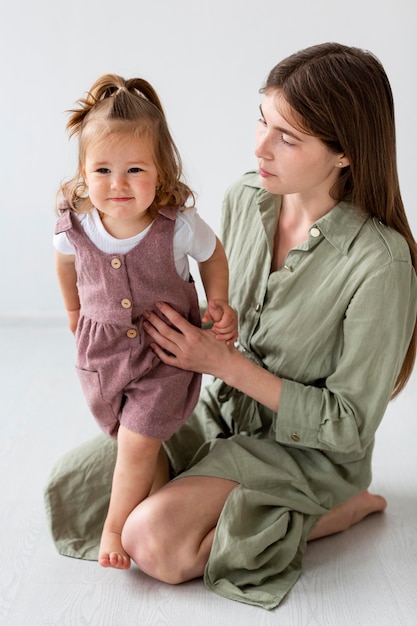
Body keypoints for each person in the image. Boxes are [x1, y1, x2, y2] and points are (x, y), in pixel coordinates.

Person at [45, 43, 417, 610]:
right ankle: (211, 494)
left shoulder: (380, 264)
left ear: (344, 154)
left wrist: (223, 362)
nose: (259, 147)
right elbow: (207, 300)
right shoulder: (248, 197)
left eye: (286, 138)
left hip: (307, 455)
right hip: (219, 411)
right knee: (77, 484)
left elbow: (347, 427)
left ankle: (336, 510)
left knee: (151, 542)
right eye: (261, 121)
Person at [53, 74, 238, 570]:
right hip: (103, 356)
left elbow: (214, 257)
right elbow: (66, 264)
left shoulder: (176, 227)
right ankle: (159, 508)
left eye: (135, 169)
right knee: (136, 443)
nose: (118, 184)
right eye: (103, 170)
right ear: (83, 173)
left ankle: (115, 529)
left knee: (135, 444)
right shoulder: (76, 223)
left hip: (165, 355)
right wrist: (73, 311)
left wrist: (217, 302)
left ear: (161, 172)